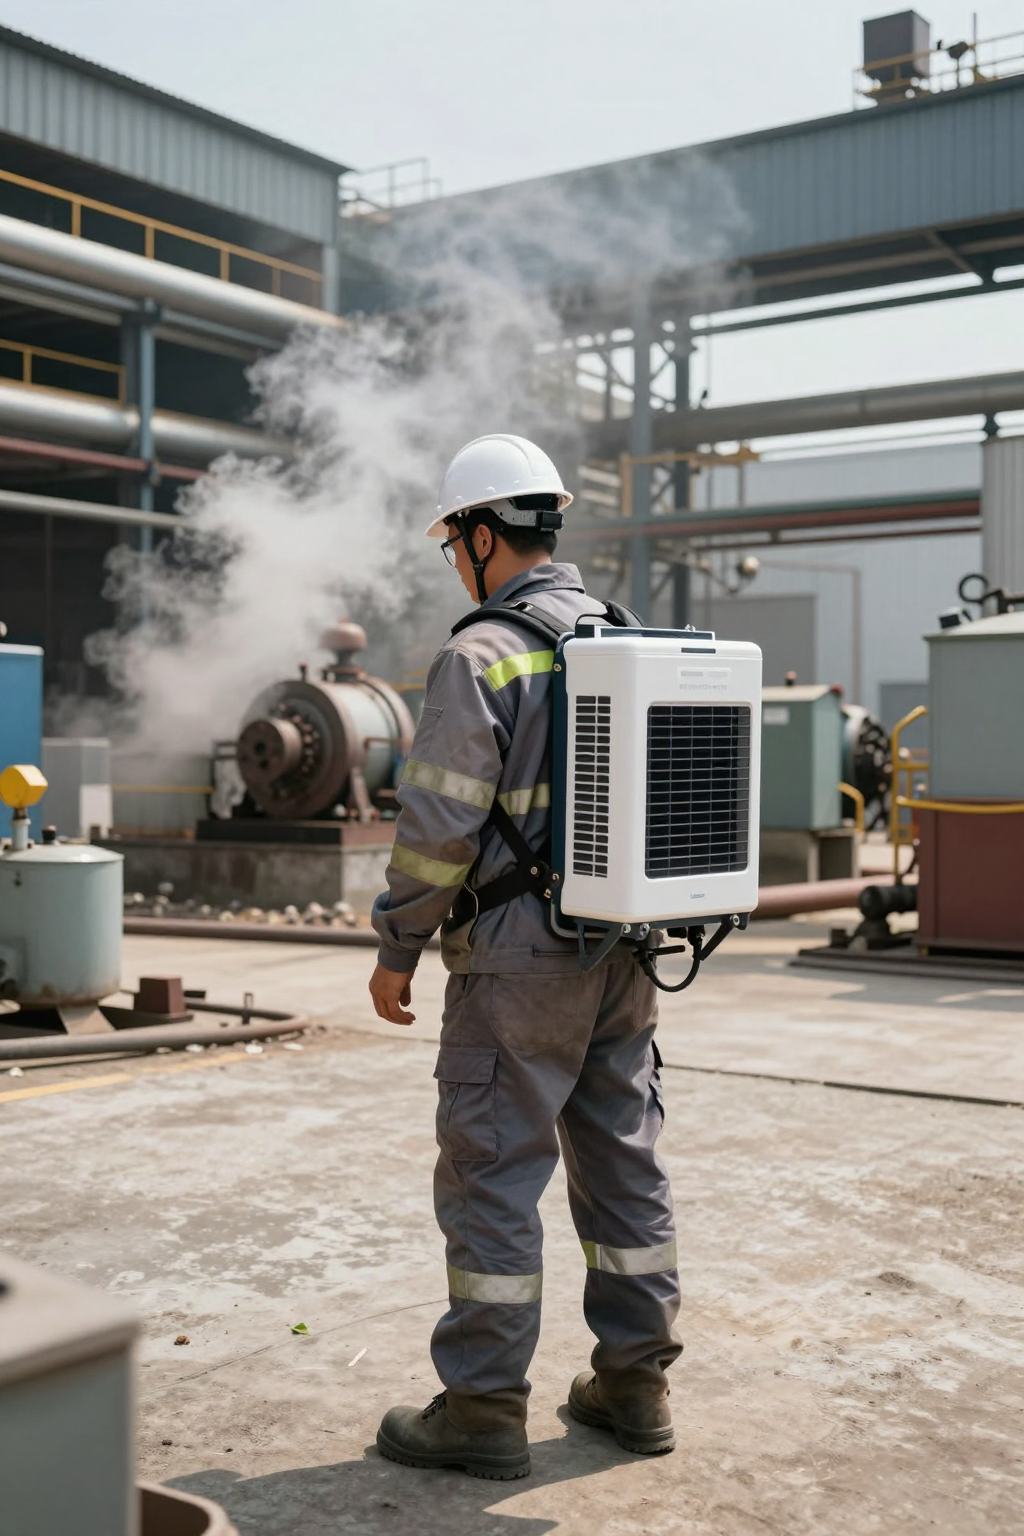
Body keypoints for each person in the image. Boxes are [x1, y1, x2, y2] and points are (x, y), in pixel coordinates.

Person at [369, 433, 681, 1481]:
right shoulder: (619, 633)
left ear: (485, 533)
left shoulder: (482, 654)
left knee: (494, 1170)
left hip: (514, 960)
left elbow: (436, 829)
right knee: (621, 1162)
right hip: (625, 952)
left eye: (455, 539)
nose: (454, 558)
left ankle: (483, 1409)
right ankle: (635, 1384)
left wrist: (397, 944)